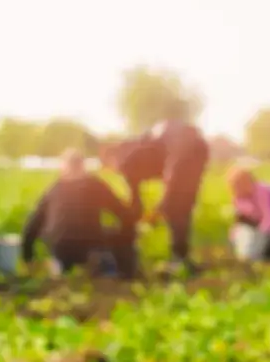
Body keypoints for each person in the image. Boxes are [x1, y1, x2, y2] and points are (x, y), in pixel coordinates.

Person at [98, 117, 210, 271]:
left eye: (108, 166)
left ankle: (180, 260)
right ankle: (183, 259)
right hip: (199, 147)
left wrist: (130, 223)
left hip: (183, 149)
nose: (114, 170)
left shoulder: (124, 161)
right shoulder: (133, 148)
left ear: (110, 157)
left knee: (173, 208)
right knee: (182, 208)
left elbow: (137, 204)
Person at [22, 148, 138, 278]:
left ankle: (62, 265)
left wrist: (28, 257)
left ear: (63, 168)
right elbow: (124, 214)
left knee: (52, 232)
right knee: (118, 235)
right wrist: (129, 233)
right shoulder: (94, 184)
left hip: (60, 249)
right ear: (83, 166)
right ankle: (125, 272)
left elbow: (32, 226)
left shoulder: (54, 189)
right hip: (90, 247)